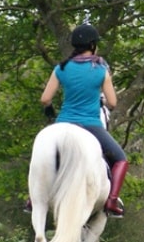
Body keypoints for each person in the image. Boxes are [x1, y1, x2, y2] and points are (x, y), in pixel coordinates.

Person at [34, 24, 129, 217]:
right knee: (120, 159)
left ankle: (33, 197)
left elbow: (45, 99)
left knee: (43, 155)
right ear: (92, 45)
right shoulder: (101, 70)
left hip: (63, 123)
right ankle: (112, 202)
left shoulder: (61, 68)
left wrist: (50, 111)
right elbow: (112, 102)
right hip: (90, 125)